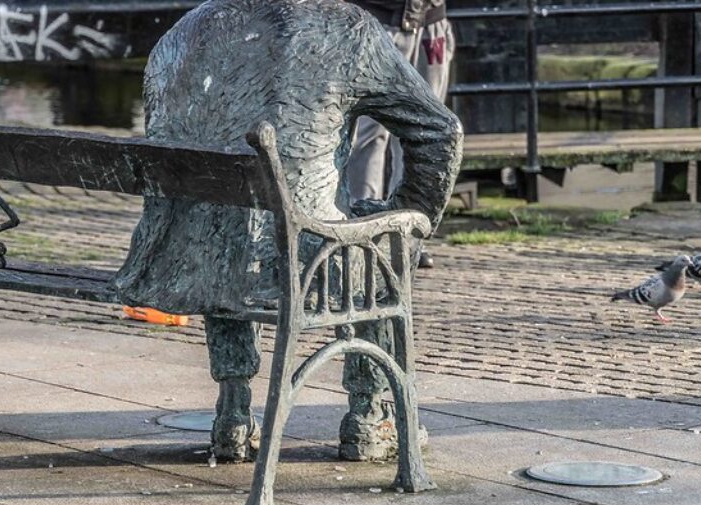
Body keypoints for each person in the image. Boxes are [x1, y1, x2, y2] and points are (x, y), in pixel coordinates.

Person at [114, 0, 462, 462]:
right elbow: (442, 133)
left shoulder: (186, 31)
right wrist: (410, 222)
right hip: (304, 253)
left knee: (224, 220)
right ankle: (368, 417)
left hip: (187, 255)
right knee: (381, 243)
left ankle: (233, 414)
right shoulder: (348, 29)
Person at [346, 0, 455, 269]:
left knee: (426, 133)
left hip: (431, 23)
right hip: (377, 20)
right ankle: (359, 234)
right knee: (369, 134)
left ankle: (411, 237)